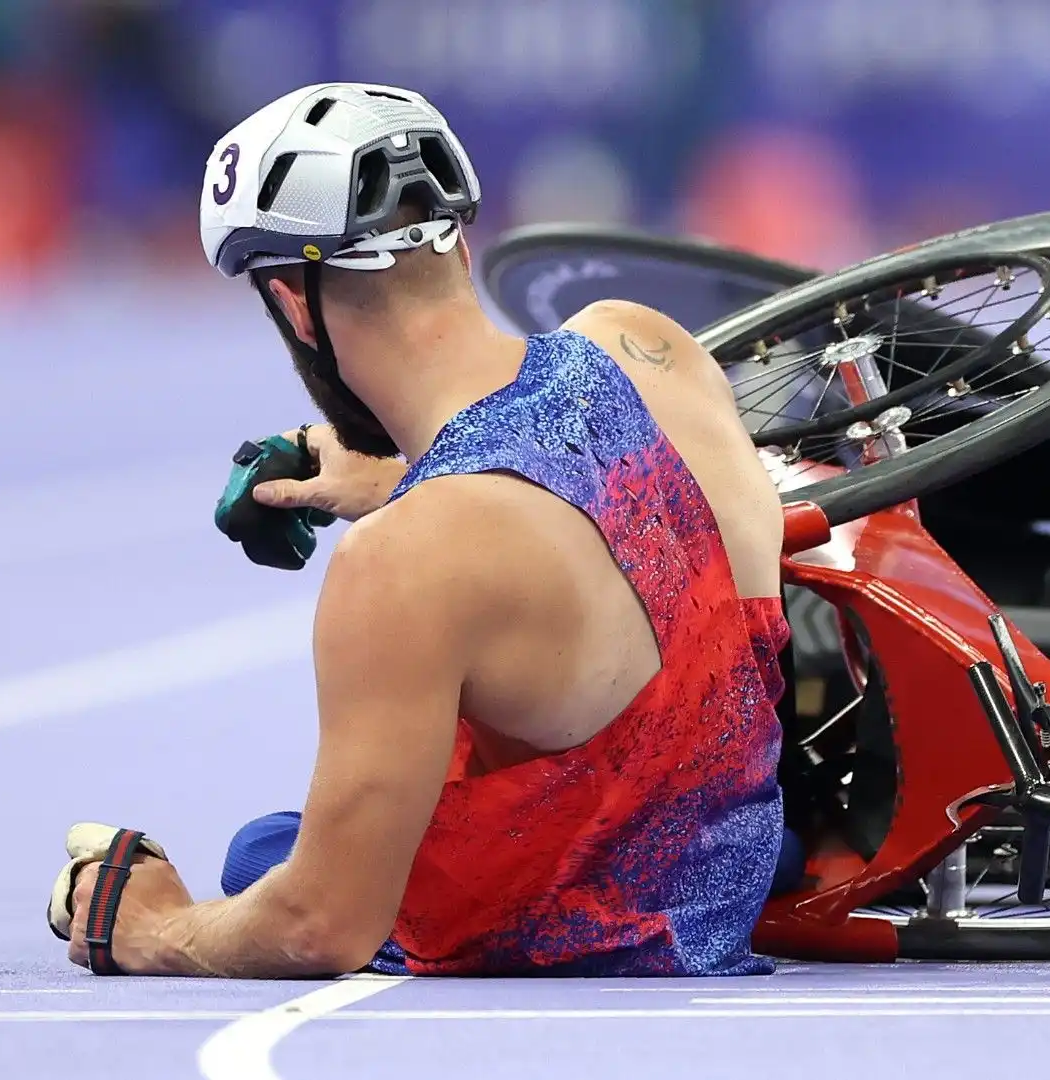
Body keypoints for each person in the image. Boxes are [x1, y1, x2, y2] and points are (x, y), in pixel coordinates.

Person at [54, 83, 791, 977]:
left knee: (263, 859)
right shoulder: (647, 346)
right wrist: (411, 476)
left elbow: (322, 927)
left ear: (292, 302)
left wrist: (148, 925)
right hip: (730, 877)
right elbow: (631, 520)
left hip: (596, 946)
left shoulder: (404, 562)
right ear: (456, 237)